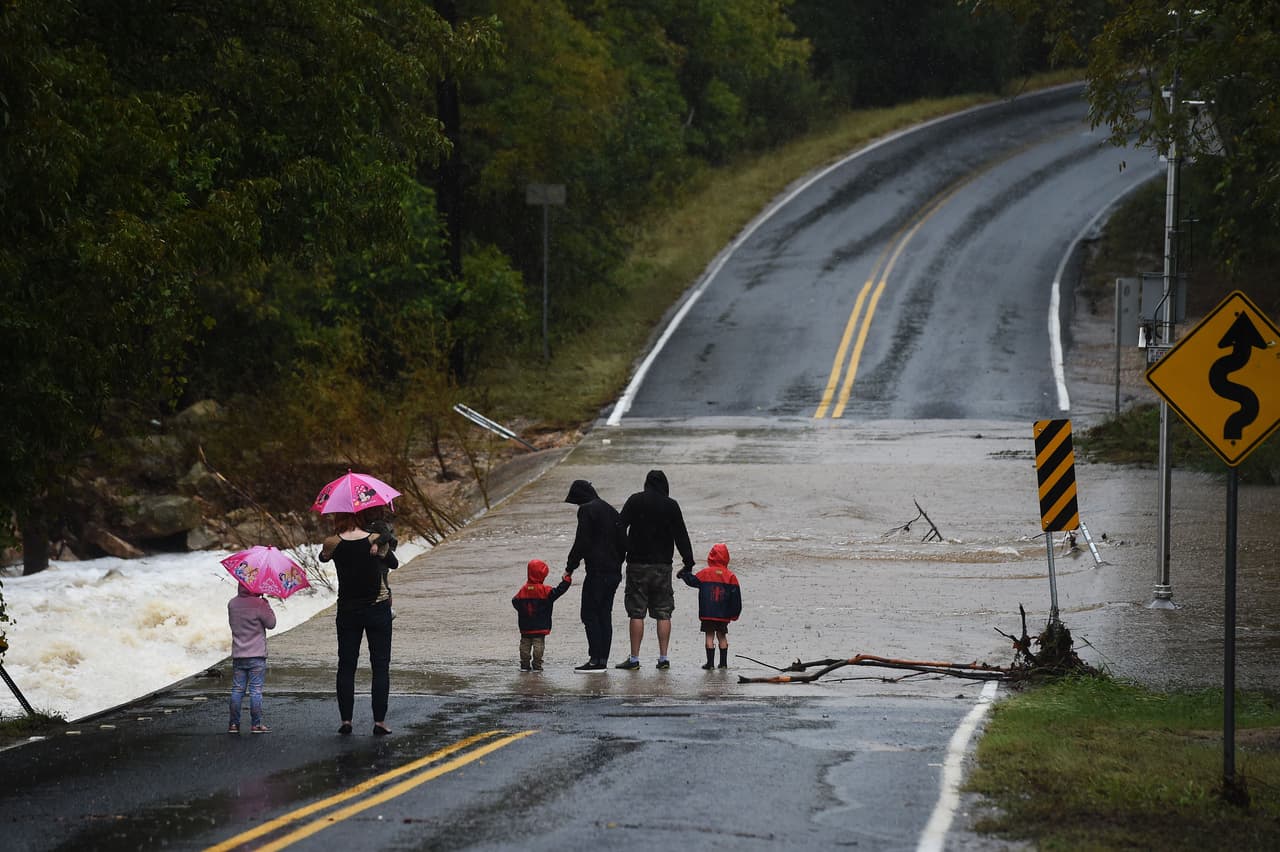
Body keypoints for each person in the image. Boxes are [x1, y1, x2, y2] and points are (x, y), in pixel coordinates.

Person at [319, 511, 398, 736]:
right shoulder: (374, 539)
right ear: (360, 516)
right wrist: (380, 543)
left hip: (348, 610)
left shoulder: (332, 542)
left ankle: (346, 721)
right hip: (377, 608)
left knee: (346, 666)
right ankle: (379, 722)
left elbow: (322, 558)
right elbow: (393, 563)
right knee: (380, 666)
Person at [616, 469, 695, 670]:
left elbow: (619, 527)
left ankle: (634, 659)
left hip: (637, 565)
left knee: (636, 612)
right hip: (663, 567)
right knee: (663, 612)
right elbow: (681, 535)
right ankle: (663, 658)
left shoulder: (635, 501)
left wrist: (625, 550)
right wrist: (688, 562)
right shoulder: (671, 505)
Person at [564, 479, 626, 671]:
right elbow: (624, 539)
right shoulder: (609, 509)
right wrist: (617, 562)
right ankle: (602, 659)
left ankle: (594, 660)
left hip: (597, 572)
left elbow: (581, 541)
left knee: (589, 614)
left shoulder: (587, 510)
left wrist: (570, 566)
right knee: (604, 615)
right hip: (613, 572)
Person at [678, 543, 742, 669]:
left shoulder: (705, 573)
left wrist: (683, 574)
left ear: (711, 557)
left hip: (707, 613)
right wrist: (735, 614)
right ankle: (723, 664)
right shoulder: (731, 576)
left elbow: (692, 581)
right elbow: (736, 598)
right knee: (722, 636)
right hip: (723, 614)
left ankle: (710, 664)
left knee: (709, 636)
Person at [227, 581, 277, 734]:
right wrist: (266, 604)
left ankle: (233, 725)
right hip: (256, 655)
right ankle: (256, 725)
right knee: (255, 691)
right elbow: (271, 624)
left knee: (237, 690)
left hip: (238, 654)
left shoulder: (232, 604)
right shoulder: (259, 604)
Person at [511, 559, 572, 671]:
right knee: (538, 646)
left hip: (525, 626)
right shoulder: (545, 590)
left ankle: (524, 665)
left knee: (524, 645)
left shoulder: (523, 589)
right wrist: (566, 581)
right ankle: (537, 665)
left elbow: (515, 601)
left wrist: (523, 611)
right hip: (540, 626)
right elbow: (559, 591)